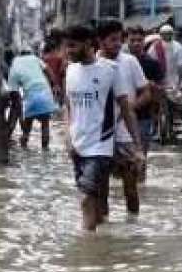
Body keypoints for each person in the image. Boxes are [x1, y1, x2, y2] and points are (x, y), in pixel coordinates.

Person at [64, 24, 143, 231]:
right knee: (96, 203)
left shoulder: (110, 70)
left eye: (73, 46)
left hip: (100, 147)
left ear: (88, 44)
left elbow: (126, 110)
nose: (68, 51)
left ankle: (85, 250)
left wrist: (137, 147)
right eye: (67, 47)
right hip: (77, 147)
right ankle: (101, 246)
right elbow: (68, 106)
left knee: (85, 199)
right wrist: (67, 135)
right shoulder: (70, 70)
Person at [97, 19, 151, 200]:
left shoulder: (130, 61)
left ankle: (132, 225)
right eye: (113, 40)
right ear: (101, 41)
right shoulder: (93, 64)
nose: (118, 44)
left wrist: (125, 110)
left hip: (125, 134)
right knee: (101, 189)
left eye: (120, 39)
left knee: (131, 188)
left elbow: (146, 93)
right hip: (99, 136)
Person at [7, 48, 60, 150]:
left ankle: (24, 151)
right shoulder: (34, 58)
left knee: (26, 130)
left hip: (31, 97)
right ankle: (45, 152)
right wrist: (55, 85)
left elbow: (14, 94)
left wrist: (20, 115)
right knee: (45, 125)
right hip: (45, 93)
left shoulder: (13, 68)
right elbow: (48, 70)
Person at [128, 25, 164, 143]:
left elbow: (160, 88)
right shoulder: (120, 63)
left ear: (144, 41)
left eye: (139, 40)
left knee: (140, 151)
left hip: (144, 115)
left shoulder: (152, 64)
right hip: (122, 116)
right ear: (126, 41)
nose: (136, 43)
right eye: (132, 40)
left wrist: (155, 114)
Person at [149, 24, 182, 90]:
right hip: (159, 82)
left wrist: (179, 82)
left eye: (168, 33)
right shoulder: (155, 47)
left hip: (174, 81)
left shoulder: (177, 46)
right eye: (164, 34)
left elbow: (181, 65)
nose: (166, 36)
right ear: (160, 35)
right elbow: (149, 63)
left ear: (172, 34)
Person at [42, 29, 68, 107]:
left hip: (49, 79)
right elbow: (62, 69)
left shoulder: (47, 48)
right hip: (57, 78)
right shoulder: (60, 49)